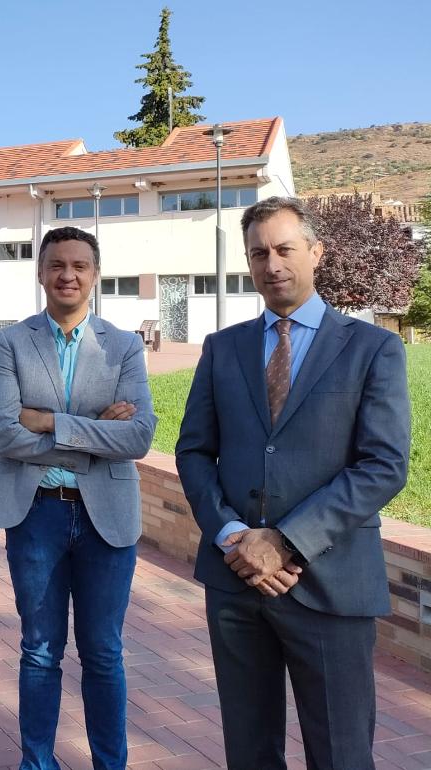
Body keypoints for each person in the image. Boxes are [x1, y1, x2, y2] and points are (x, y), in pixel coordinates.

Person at [176, 196, 410, 769]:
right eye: (259, 253)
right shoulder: (222, 348)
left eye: (284, 249)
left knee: (341, 753)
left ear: (315, 252)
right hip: (236, 585)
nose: (272, 264)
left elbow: (383, 464)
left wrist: (283, 541)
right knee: (249, 750)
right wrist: (233, 533)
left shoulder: (372, 348)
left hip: (329, 582)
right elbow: (194, 451)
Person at [0, 226, 156, 769]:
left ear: (94, 275)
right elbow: (2, 435)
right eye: (57, 265)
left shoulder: (124, 346)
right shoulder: (12, 342)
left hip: (107, 517)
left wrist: (49, 424)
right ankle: (37, 763)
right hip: (35, 514)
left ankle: (111, 763)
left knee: (103, 653)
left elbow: (139, 437)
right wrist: (90, 432)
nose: (68, 275)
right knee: (39, 650)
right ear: (40, 273)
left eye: (79, 266)